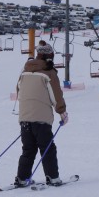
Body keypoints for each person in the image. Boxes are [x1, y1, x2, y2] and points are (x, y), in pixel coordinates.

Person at [14, 43, 67, 187]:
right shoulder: (48, 73)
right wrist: (62, 112)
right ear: (49, 56)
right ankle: (52, 177)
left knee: (28, 149)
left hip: (24, 118)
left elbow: (19, 89)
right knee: (48, 147)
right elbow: (56, 96)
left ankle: (22, 178)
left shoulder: (25, 71)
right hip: (41, 119)